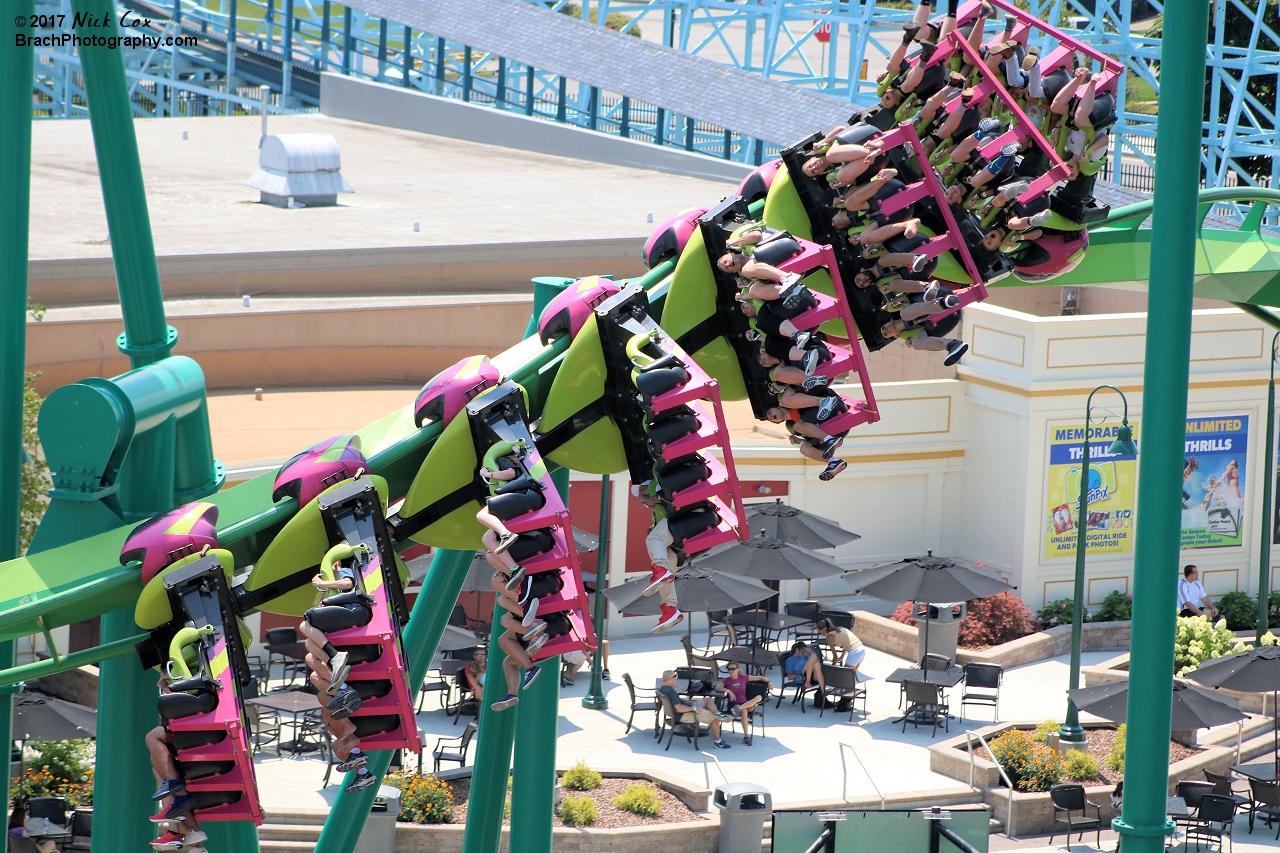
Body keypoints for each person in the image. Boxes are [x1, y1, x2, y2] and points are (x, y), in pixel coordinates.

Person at [635, 480, 686, 634]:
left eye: (643, 490)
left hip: (681, 519)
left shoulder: (661, 482)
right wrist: (654, 528)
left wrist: (647, 499)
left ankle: (660, 569)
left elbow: (669, 496)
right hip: (676, 534)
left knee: (654, 540)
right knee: (669, 564)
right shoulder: (656, 511)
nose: (642, 496)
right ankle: (670, 609)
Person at [657, 670, 731, 749]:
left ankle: (719, 714)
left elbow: (677, 705)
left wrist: (691, 705)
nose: (676, 678)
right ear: (670, 679)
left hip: (685, 709)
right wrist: (694, 708)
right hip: (684, 715)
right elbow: (679, 708)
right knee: (713, 717)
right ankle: (718, 742)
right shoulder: (671, 692)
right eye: (675, 676)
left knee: (707, 700)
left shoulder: (662, 688)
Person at [720, 663, 771, 745]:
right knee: (744, 711)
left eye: (733, 669)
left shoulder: (743, 678)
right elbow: (718, 687)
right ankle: (746, 736)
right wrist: (728, 691)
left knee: (759, 697)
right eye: (729, 669)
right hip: (734, 703)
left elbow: (760, 677)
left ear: (738, 669)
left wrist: (769, 682)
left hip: (745, 703)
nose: (730, 671)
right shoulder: (727, 680)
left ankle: (738, 710)